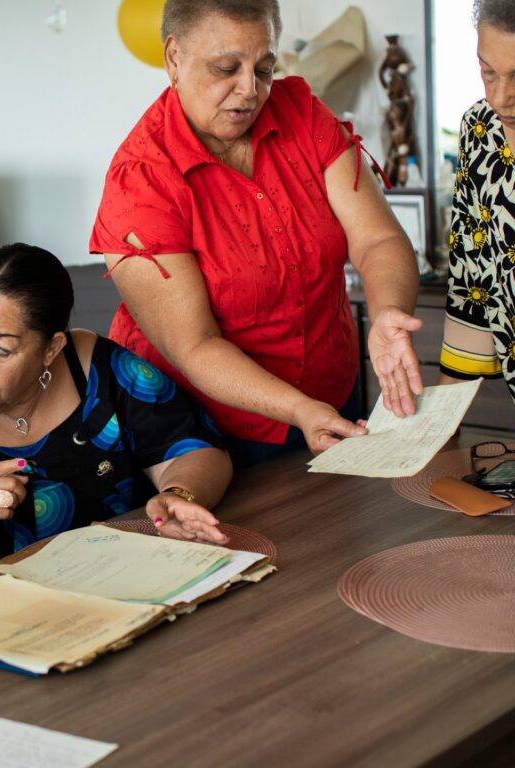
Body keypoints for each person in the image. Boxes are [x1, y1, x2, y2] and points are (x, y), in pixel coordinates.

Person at [90, 0, 425, 467]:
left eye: (264, 69)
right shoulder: (141, 182)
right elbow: (194, 346)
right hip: (206, 432)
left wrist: (389, 311)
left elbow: (378, 240)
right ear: (173, 58)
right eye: (226, 67)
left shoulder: (302, 113)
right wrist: (296, 408)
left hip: (331, 397)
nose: (250, 90)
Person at [0, 243, 233, 583]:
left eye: (0, 350)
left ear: (51, 349)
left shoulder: (95, 368)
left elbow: (196, 449)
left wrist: (180, 494)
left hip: (118, 587)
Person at [439, 0, 515, 396]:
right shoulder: (480, 132)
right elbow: (472, 279)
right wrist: (436, 429)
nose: (502, 97)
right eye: (488, 72)